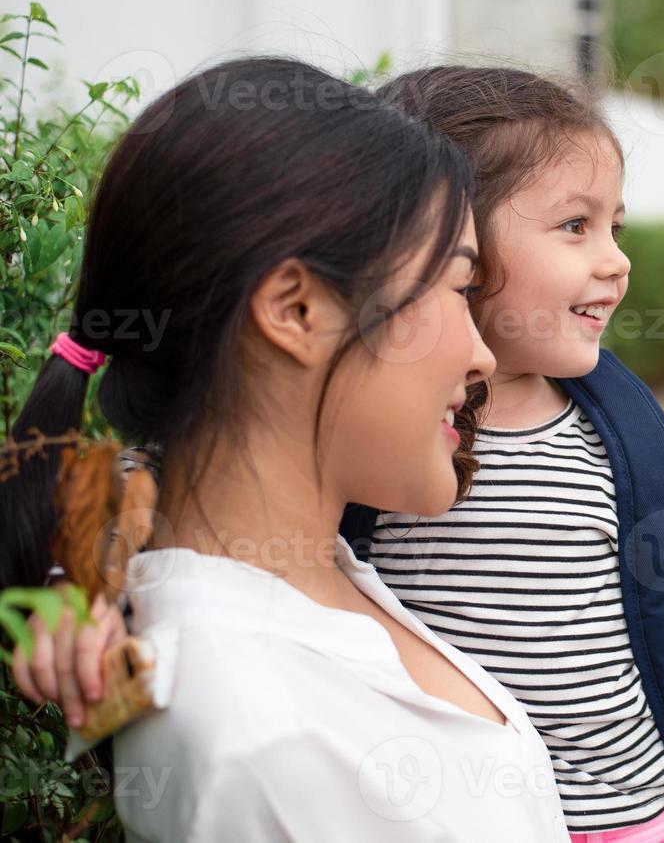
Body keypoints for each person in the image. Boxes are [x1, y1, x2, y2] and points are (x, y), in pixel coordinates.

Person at [2, 59, 569, 841]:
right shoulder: (259, 739)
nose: (480, 356)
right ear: (296, 309)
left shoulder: (314, 584)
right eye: (453, 285)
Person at [348, 66, 664, 841]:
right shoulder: (379, 441)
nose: (617, 261)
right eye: (574, 226)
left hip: (633, 826)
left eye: (614, 226)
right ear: (449, 244)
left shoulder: (634, 455)